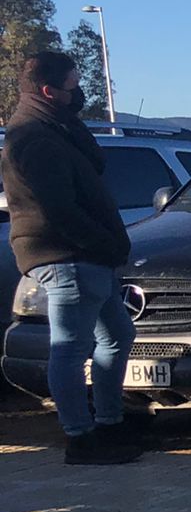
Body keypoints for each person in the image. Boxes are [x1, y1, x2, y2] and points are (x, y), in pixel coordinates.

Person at [1, 50, 140, 466]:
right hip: (67, 256)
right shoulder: (35, 139)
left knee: (117, 336)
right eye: (73, 85)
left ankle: (110, 422)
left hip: (87, 257)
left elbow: (87, 177)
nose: (78, 91)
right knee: (69, 348)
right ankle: (81, 436)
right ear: (49, 91)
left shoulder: (55, 128)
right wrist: (101, 243)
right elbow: (59, 209)